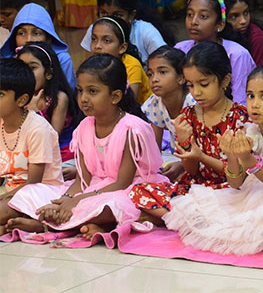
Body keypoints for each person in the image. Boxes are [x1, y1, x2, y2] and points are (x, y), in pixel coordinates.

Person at [4, 54, 168, 239]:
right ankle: (60, 220)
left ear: (115, 96)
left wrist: (78, 201)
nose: (83, 98)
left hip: (124, 191)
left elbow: (122, 183)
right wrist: (64, 201)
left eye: (92, 91)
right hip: (92, 190)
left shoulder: (131, 129)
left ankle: (45, 225)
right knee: (32, 191)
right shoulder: (83, 128)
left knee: (109, 207)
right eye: (80, 90)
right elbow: (82, 180)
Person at [163, 64, 263, 254]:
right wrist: (231, 155)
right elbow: (235, 183)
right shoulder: (250, 130)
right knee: (214, 216)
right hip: (258, 189)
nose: (255, 104)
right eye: (251, 96)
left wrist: (247, 158)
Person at [129, 42, 248, 224]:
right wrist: (185, 147)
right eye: (191, 85)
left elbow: (238, 178)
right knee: (138, 191)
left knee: (231, 207)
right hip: (195, 188)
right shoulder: (188, 114)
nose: (196, 92)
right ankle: (183, 218)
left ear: (225, 80)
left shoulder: (239, 117)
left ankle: (171, 218)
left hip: (227, 189)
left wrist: (202, 157)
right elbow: (192, 171)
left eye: (203, 84)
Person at [0, 58, 63, 235]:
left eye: (0, 94)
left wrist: (3, 198)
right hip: (14, 193)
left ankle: (35, 223)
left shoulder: (37, 129)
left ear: (21, 100)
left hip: (41, 192)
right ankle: (19, 224)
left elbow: (33, 182)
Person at [174, 0, 256, 105]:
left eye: (203, 16)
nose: (193, 22)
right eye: (190, 15)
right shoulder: (180, 49)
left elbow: (241, 102)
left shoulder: (236, 55)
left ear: (220, 25)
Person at [16, 42, 79, 167]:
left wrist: (34, 112)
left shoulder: (59, 98)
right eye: (22, 68)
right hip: (28, 152)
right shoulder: (17, 97)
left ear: (48, 74)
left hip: (60, 156)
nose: (26, 73)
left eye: (32, 68)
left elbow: (51, 140)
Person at [80, 0, 172, 65]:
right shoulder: (95, 30)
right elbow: (89, 65)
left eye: (117, 15)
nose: (109, 20)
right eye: (104, 13)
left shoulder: (146, 31)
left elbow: (165, 64)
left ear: (131, 15)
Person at [0, 3, 76, 89]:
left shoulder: (62, 60)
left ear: (48, 38)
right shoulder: (9, 61)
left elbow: (68, 92)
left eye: (36, 33)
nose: (28, 39)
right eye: (21, 33)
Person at [142, 46, 195, 155]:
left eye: (162, 72)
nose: (154, 79)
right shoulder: (155, 102)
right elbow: (155, 150)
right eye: (150, 74)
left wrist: (182, 163)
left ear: (181, 78)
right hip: (176, 156)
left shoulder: (194, 103)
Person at [89, 16, 151, 104]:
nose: (97, 46)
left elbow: (129, 103)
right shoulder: (94, 63)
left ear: (122, 48)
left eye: (106, 40)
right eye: (94, 39)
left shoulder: (132, 65)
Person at [220, 0, 263, 66]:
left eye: (246, 13)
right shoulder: (217, 37)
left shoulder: (257, 39)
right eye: (234, 16)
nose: (243, 21)